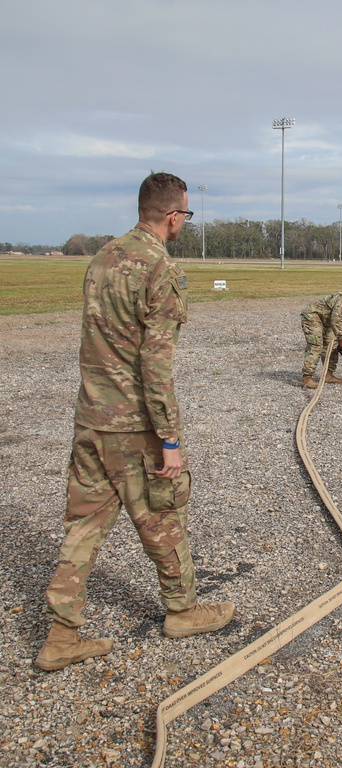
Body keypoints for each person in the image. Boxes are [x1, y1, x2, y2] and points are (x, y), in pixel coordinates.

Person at [35, 172, 235, 672]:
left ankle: (61, 636)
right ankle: (183, 611)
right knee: (163, 519)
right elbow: (155, 363)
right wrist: (169, 438)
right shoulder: (159, 267)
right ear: (173, 216)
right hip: (132, 426)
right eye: (186, 214)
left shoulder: (103, 256)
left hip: (91, 421)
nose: (184, 221)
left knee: (82, 528)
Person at [299, 282, 342, 388]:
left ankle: (328, 375)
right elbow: (336, 320)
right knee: (316, 346)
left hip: (326, 321)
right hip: (313, 317)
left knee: (332, 345)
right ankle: (306, 378)